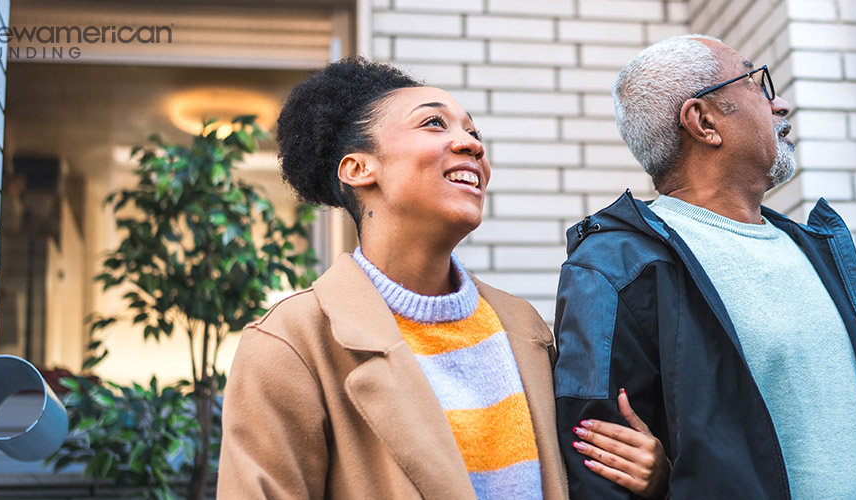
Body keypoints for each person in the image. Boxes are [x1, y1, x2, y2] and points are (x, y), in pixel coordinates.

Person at [217, 57, 665, 500]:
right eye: (434, 123)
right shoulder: (292, 343)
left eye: (473, 132)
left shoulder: (523, 327)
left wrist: (653, 476)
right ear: (359, 169)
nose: (472, 145)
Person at [551, 34, 856, 500]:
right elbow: (600, 472)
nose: (781, 104)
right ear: (703, 121)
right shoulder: (615, 269)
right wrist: (666, 485)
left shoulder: (815, 246)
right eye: (758, 83)